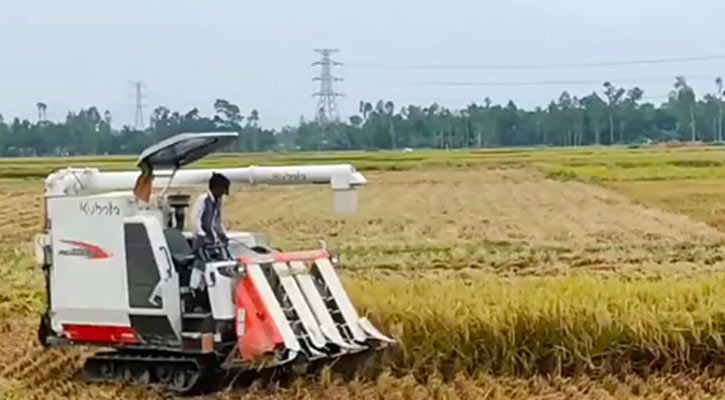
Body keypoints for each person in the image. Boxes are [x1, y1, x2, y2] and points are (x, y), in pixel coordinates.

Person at [191, 172, 231, 254]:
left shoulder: (218, 202)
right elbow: (195, 219)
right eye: (223, 189)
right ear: (216, 188)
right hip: (202, 243)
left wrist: (222, 234)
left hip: (213, 242)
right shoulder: (203, 199)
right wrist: (201, 234)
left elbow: (217, 222)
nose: (224, 193)